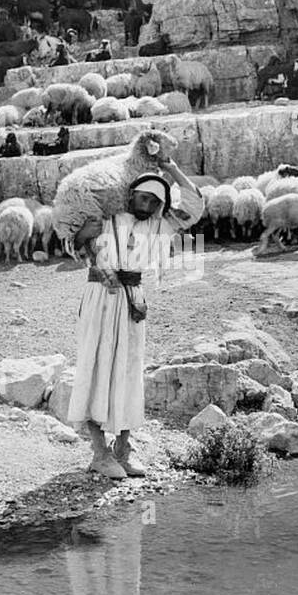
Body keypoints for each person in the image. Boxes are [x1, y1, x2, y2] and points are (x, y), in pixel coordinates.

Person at [67, 158, 204, 479]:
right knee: (96, 367)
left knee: (130, 371)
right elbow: (73, 244)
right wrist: (79, 237)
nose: (149, 204)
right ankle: (99, 452)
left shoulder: (160, 226)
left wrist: (170, 168)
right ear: (130, 196)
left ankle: (124, 450)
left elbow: (195, 205)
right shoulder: (106, 217)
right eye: (144, 197)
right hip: (100, 296)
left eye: (156, 200)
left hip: (133, 300)